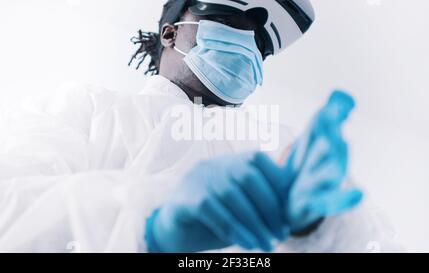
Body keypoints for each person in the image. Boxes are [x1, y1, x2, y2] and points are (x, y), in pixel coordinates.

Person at [0, 0, 401, 252]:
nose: (248, 44)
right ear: (170, 33)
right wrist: (151, 224)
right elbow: (10, 213)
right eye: (228, 18)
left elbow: (381, 245)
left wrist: (322, 230)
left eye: (260, 43)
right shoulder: (86, 110)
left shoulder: (278, 145)